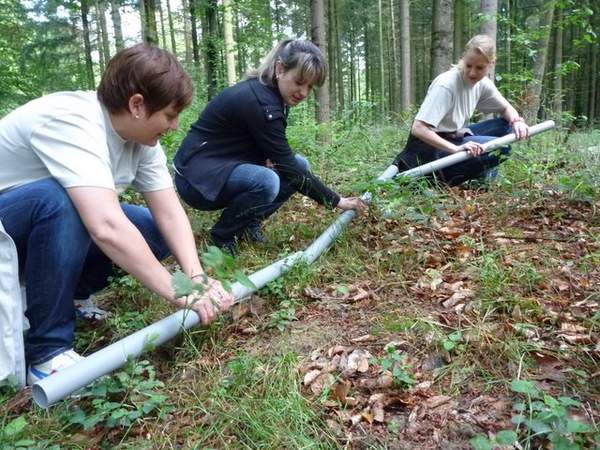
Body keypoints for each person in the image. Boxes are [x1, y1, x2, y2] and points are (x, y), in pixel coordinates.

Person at [0, 44, 233, 385]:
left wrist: (195, 276)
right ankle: (47, 354)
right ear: (137, 104)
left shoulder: (141, 142)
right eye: (169, 115)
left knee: (150, 229)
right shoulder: (73, 120)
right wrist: (176, 290)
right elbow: (105, 226)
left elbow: (170, 214)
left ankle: (72, 298)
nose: (175, 125)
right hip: (9, 231)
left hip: (34, 231)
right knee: (60, 200)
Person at [173, 39, 367, 254]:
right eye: (299, 81)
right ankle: (223, 237)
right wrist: (336, 201)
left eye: (310, 87)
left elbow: (255, 145)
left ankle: (248, 224)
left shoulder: (269, 93)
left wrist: (264, 157)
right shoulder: (260, 102)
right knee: (268, 180)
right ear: (280, 69)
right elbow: (289, 169)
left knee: (300, 163)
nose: (303, 92)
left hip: (218, 166)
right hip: (195, 181)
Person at [392, 34, 530, 186]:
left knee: (507, 125)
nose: (472, 73)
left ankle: (480, 173)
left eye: (479, 68)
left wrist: (517, 121)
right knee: (501, 147)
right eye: (468, 65)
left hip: (452, 137)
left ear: (491, 64)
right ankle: (453, 178)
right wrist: (457, 149)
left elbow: (505, 108)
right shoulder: (446, 85)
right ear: (463, 58)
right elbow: (419, 129)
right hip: (427, 152)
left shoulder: (483, 84)